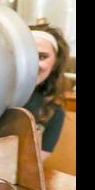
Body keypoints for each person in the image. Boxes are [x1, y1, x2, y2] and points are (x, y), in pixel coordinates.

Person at [24, 25, 69, 160]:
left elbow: (33, 165)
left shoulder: (53, 112)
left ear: (55, 63)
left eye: (42, 56)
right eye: (27, 54)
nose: (33, 63)